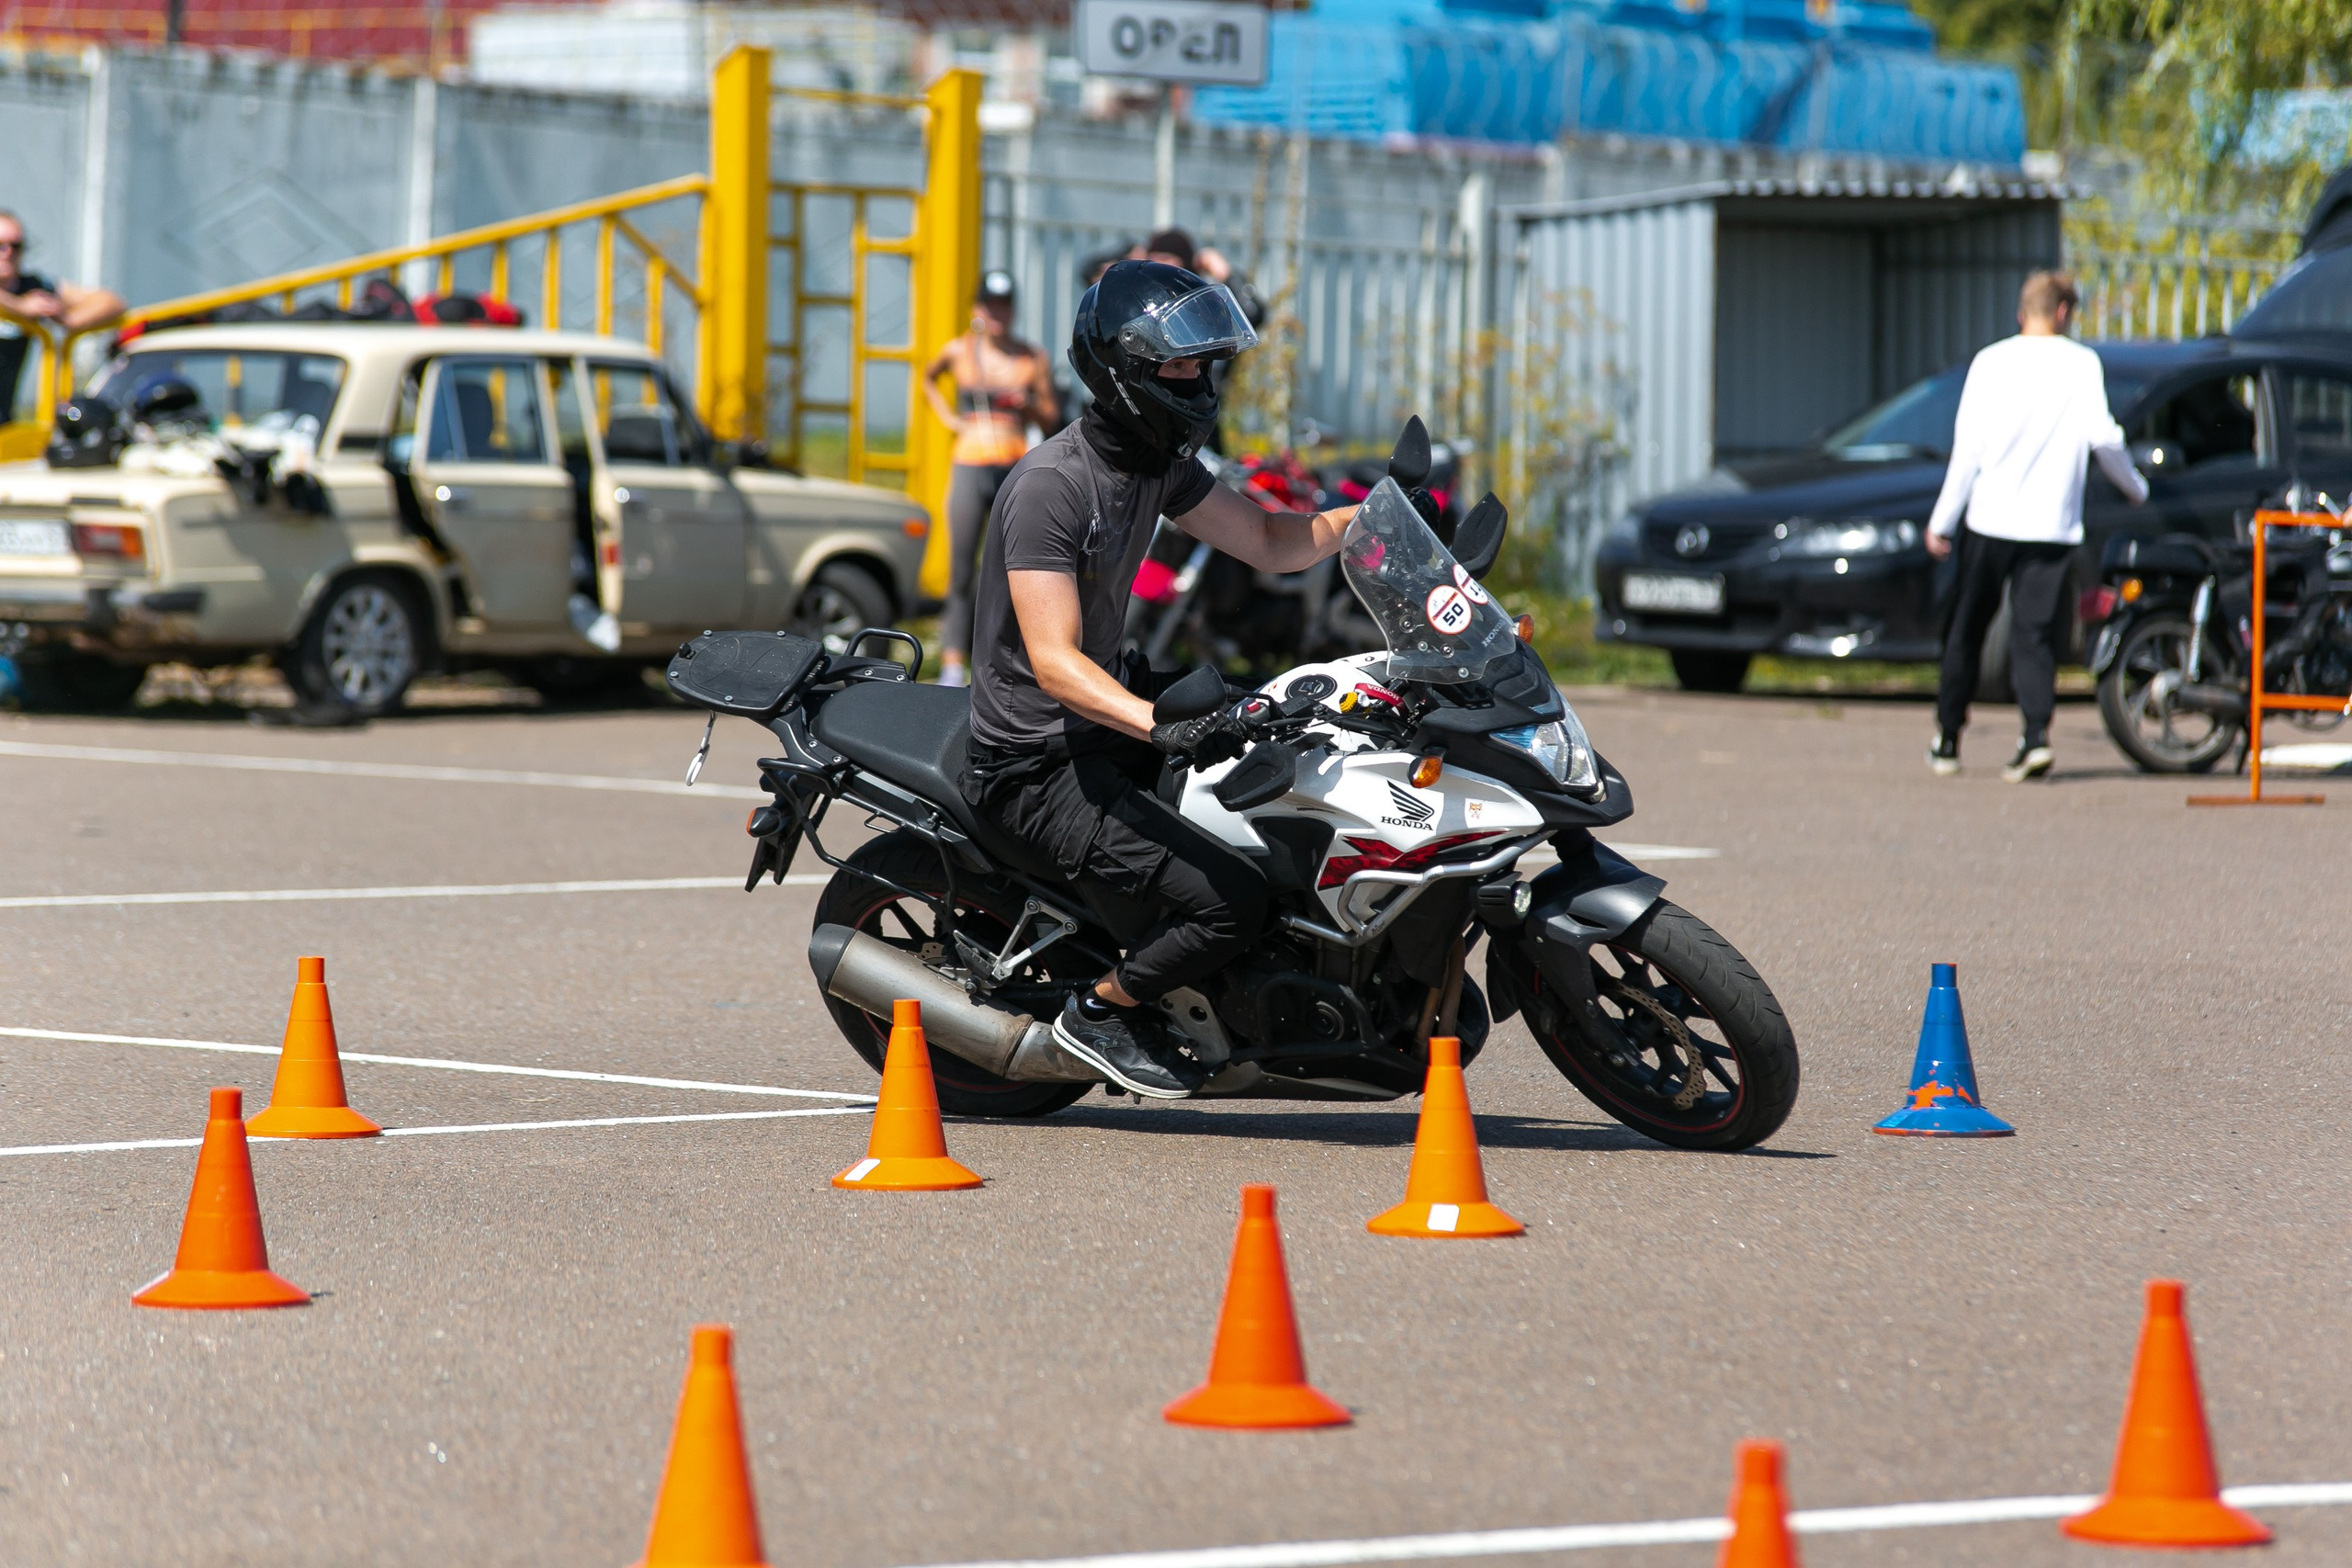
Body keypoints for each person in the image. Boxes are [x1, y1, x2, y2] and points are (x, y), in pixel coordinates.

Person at [958, 260, 1359, 1100]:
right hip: (1038, 762)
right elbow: (1054, 660)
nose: (1202, 380)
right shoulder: (1052, 487)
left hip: (1106, 716)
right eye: (1182, 365)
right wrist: (1155, 723)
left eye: (1206, 363)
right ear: (1126, 371)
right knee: (1230, 901)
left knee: (1283, 758)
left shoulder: (1156, 464)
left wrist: (1382, 515)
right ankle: (1100, 1010)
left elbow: (1273, 542)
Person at [1926, 270, 2148, 782]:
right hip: (2051, 526)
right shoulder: (2081, 364)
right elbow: (2104, 438)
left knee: (1967, 627)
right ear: (2064, 313)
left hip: (1989, 520)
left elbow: (1969, 450)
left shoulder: (1991, 361)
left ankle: (1946, 737)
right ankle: (2034, 736)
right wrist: (2135, 489)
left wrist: (1942, 521)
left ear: (2022, 312)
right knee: (2034, 634)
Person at [922, 270, 1057, 688]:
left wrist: (1028, 404)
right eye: (990, 305)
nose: (998, 313)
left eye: (1005, 305)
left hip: (1012, 462)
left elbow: (1052, 416)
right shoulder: (960, 350)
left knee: (1009, 568)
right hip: (969, 460)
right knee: (961, 567)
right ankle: (951, 662)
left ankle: (1003, 661)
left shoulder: (1029, 357)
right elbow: (927, 377)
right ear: (978, 309)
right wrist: (950, 420)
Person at [0, 210, 123, 422]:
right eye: (0, 245)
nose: (8, 253)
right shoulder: (26, 301)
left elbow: (111, 302)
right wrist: (20, 308)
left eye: (16, 246)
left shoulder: (33, 287)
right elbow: (21, 306)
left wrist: (69, 319)